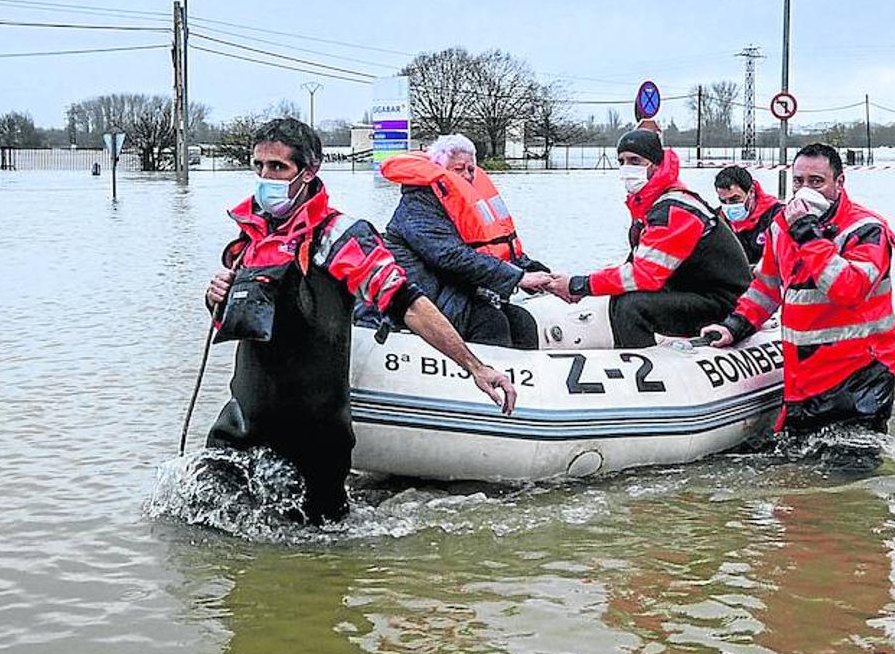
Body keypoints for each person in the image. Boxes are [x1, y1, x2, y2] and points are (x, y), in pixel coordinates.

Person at [204, 118, 516, 524]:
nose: (266, 177)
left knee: (315, 570)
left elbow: (409, 304)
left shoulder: (340, 237)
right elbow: (236, 323)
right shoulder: (249, 237)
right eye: (259, 166)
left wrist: (475, 367)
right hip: (243, 426)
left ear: (309, 171)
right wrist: (215, 298)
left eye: (278, 167)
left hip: (313, 441)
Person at [701, 143, 895, 442]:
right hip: (803, 377)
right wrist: (735, 326)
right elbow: (767, 287)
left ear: (839, 182)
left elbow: (848, 289)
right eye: (798, 181)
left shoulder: (867, 229)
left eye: (816, 182)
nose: (805, 190)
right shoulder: (782, 227)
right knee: (794, 479)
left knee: (848, 479)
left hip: (859, 376)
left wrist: (808, 234)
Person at [547, 127, 752, 347]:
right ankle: (633, 356)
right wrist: (584, 287)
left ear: (654, 165)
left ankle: (640, 368)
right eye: (622, 161)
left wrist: (579, 285)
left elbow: (643, 275)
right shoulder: (655, 205)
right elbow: (637, 263)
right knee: (621, 297)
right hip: (701, 291)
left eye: (635, 160)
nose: (627, 168)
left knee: (631, 306)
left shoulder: (674, 209)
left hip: (727, 303)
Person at [378, 134, 551, 349]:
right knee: (490, 323)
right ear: (439, 168)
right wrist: (518, 278)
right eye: (459, 169)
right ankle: (486, 378)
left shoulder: (465, 204)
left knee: (521, 321)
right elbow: (450, 256)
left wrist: (542, 275)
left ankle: (523, 380)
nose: (467, 175)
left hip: (459, 291)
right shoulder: (417, 204)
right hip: (425, 299)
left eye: (471, 169)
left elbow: (497, 250)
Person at [715, 165, 783, 264]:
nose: (729, 205)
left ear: (751, 192)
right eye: (723, 201)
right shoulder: (717, 220)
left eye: (735, 199)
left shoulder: (776, 216)